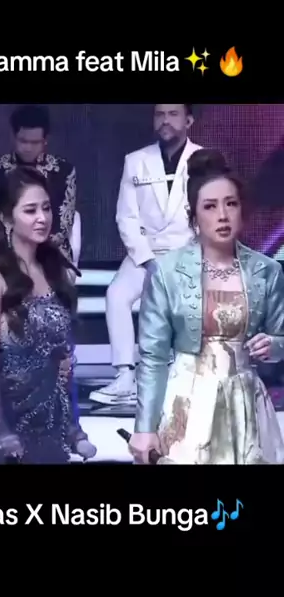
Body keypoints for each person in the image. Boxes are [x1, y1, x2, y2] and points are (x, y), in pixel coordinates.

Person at [129, 149, 284, 465]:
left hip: (246, 405)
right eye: (210, 206)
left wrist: (274, 346)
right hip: (187, 402)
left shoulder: (267, 270)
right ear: (193, 215)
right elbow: (153, 357)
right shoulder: (167, 273)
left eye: (231, 204)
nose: (222, 215)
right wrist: (144, 428)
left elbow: (281, 339)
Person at [0, 165, 96, 464]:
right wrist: (1, 430)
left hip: (50, 421)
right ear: (6, 218)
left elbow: (64, 364)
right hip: (7, 421)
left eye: (46, 208)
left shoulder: (56, 271)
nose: (42, 218)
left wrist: (74, 429)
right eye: (30, 210)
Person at [90, 104, 201, 406]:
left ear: (188, 120)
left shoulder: (204, 159)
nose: (165, 120)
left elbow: (207, 213)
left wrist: (186, 259)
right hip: (145, 254)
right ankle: (125, 376)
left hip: (187, 253)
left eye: (173, 114)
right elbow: (126, 217)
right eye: (159, 114)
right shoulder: (135, 161)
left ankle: (180, 375)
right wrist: (148, 260)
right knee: (116, 294)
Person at [0, 105, 77, 263]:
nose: (28, 148)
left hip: (50, 255)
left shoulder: (63, 171)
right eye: (23, 141)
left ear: (45, 140)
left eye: (35, 142)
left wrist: (30, 251)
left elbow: (62, 226)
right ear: (13, 137)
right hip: (1, 254)